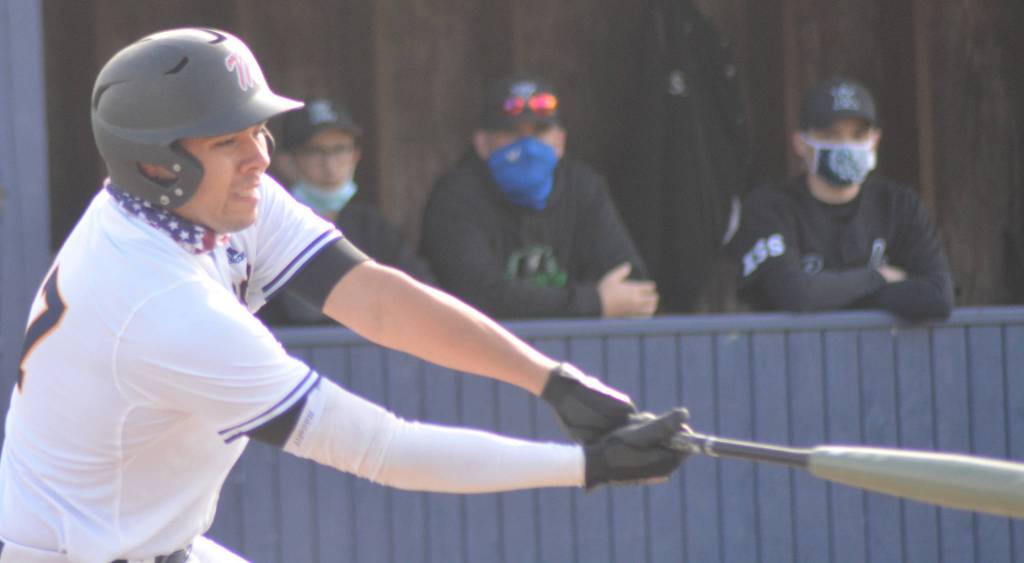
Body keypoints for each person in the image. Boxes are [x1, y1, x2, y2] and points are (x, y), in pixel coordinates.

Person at [0, 29, 693, 562]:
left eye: (258, 130)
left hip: (153, 544)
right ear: (157, 162)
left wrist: (555, 382)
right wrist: (589, 466)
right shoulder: (158, 304)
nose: (261, 156)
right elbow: (384, 449)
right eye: (229, 139)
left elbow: (379, 298)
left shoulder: (202, 201)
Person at [420, 74, 658, 319]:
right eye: (511, 132)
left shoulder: (584, 188)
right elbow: (478, 299)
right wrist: (594, 302)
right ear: (482, 144)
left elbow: (635, 290)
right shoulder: (456, 198)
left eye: (539, 131)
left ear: (559, 141)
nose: (528, 146)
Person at [732, 77, 955, 320]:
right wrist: (879, 277)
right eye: (830, 134)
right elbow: (796, 295)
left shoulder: (900, 205)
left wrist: (833, 295)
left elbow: (938, 297)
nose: (846, 145)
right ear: (800, 143)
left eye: (858, 134)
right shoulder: (770, 208)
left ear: (875, 141)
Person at [260, 97, 434, 325]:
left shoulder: (372, 226)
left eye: (340, 149)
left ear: (355, 155)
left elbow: (422, 294)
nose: (330, 165)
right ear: (287, 162)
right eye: (315, 152)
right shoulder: (269, 227)